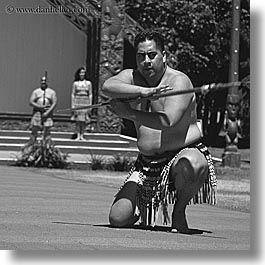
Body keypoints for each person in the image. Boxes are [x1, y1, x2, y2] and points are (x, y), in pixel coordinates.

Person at [102, 30, 217, 233]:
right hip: (147, 164)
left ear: (164, 56)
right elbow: (108, 86)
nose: (146, 61)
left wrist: (129, 113)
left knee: (192, 163)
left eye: (152, 54)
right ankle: (144, 204)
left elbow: (168, 120)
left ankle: (179, 211)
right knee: (117, 218)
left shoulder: (178, 81)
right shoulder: (132, 78)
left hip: (181, 154)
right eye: (140, 56)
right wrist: (142, 91)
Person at [28, 75, 57, 144]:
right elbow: (31, 102)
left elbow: (54, 103)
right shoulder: (36, 92)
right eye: (42, 81)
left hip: (47, 114)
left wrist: (47, 112)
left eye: (45, 81)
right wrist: (39, 106)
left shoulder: (52, 92)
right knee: (34, 130)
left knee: (47, 131)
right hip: (37, 113)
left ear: (47, 82)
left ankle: (46, 147)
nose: (43, 82)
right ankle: (32, 145)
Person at [71, 67, 93, 140]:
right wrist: (73, 104)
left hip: (85, 101)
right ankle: (78, 135)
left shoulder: (88, 83)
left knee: (83, 120)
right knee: (78, 120)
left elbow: (90, 94)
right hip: (77, 100)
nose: (82, 74)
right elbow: (73, 94)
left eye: (83, 72)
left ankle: (82, 135)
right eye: (81, 72)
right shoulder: (75, 83)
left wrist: (90, 104)